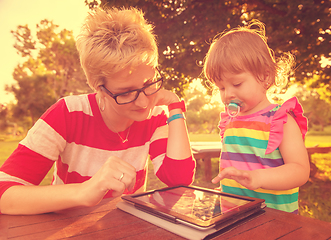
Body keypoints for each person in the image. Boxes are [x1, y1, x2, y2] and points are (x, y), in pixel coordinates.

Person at [0, 7, 195, 215]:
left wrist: (175, 107)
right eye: (126, 92)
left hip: (126, 229)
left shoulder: (155, 115)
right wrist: (84, 191)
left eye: (148, 83)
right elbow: (5, 192)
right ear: (99, 89)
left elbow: (179, 180)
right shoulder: (67, 113)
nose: (143, 102)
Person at [203, 20, 309, 213]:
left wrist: (258, 178)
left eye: (236, 84)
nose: (227, 94)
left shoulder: (279, 120)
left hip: (274, 219)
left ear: (266, 77)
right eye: (221, 87)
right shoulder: (230, 121)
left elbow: (300, 170)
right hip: (232, 214)